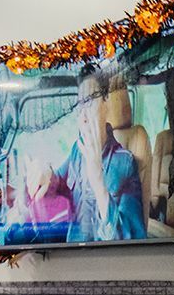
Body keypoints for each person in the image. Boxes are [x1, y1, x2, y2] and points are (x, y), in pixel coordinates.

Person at [38, 68, 146, 242]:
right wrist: (46, 175)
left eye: (89, 101)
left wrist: (99, 184)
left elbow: (130, 238)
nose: (83, 117)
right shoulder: (78, 150)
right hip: (71, 249)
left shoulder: (125, 162)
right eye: (79, 105)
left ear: (106, 102)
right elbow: (57, 181)